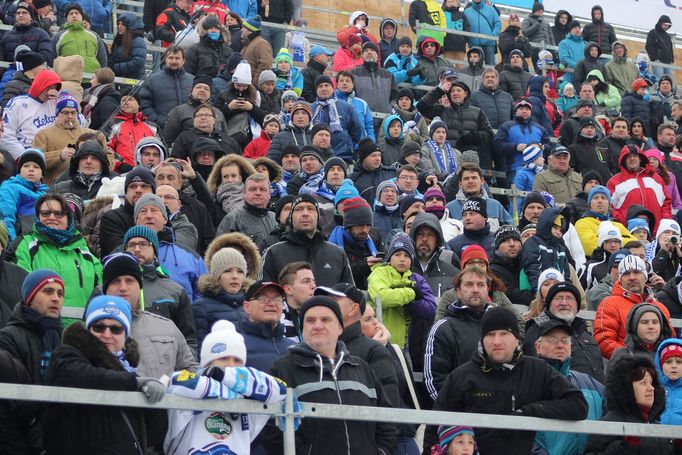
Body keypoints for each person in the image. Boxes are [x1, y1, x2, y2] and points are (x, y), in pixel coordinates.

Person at [432, 306, 588, 453]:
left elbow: (577, 404)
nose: (497, 341)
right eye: (490, 335)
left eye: (504, 334)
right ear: (482, 339)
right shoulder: (462, 376)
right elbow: (435, 427)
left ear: (517, 339)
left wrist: (529, 411)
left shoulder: (536, 370)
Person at [267, 295, 397, 454]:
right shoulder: (283, 368)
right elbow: (273, 427)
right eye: (310, 320)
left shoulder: (361, 367)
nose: (317, 325)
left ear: (340, 328)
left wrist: (381, 452)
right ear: (302, 328)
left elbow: (387, 420)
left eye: (326, 319)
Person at [41, 294, 166, 454]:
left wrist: (154, 402)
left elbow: (153, 435)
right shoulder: (67, 354)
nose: (107, 335)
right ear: (88, 329)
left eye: (116, 329)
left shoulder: (129, 371)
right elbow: (82, 376)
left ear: (125, 335)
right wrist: (135, 383)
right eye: (99, 327)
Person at [122, 225, 197, 355]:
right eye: (131, 245)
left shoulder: (175, 291)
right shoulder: (109, 288)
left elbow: (189, 340)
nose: (137, 249)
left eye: (144, 244)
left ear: (155, 252)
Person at [425, 266, 492, 401]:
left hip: (501, 416)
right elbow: (435, 382)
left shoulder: (502, 325)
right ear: (458, 292)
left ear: (487, 290)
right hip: (458, 415)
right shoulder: (443, 328)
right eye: (469, 284)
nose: (475, 289)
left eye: (481, 285)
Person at [585, 354, 674, 453]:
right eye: (643, 383)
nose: (651, 388)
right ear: (626, 388)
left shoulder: (656, 424)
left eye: (651, 383)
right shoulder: (610, 423)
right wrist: (624, 447)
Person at [261, 194, 354, 286]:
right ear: (291, 218)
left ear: (318, 217)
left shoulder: (337, 254)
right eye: (299, 209)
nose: (305, 213)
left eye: (310, 209)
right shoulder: (273, 253)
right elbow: (264, 295)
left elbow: (350, 295)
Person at [594, 255, 673, 360]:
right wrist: (634, 361)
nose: (632, 277)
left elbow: (670, 340)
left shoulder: (660, 307)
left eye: (637, 272)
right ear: (620, 278)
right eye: (626, 274)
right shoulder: (609, 303)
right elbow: (604, 341)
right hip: (626, 369)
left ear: (645, 276)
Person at [417, 79, 494, 158]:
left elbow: (489, 135)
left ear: (466, 94)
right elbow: (421, 106)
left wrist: (473, 137)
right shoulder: (442, 110)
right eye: (452, 91)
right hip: (446, 156)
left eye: (458, 90)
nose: (455, 93)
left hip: (470, 158)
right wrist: (439, 91)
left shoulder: (477, 112)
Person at [0, 69, 62, 159]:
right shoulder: (17, 103)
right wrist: (24, 156)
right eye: (47, 87)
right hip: (23, 155)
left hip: (51, 156)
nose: (49, 92)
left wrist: (61, 103)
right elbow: (6, 136)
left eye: (53, 88)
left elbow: (78, 123)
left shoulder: (55, 103)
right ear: (39, 84)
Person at [607, 144, 671, 231]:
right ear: (623, 160)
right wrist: (623, 222)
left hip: (656, 231)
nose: (632, 158)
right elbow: (610, 207)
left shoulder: (656, 178)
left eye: (635, 156)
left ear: (640, 158)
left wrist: (664, 221)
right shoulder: (614, 182)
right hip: (629, 233)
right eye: (628, 157)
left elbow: (666, 202)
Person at [193, 243, 247, 342]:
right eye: (227, 271)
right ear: (217, 276)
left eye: (240, 271)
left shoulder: (251, 304)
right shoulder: (200, 307)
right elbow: (199, 347)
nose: (235, 276)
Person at [216, 173, 277, 253]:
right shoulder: (232, 219)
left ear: (269, 194)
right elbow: (221, 253)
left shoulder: (276, 218)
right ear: (244, 193)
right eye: (252, 189)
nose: (258, 193)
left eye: (262, 189)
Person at [140, 46, 193, 131]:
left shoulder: (193, 81)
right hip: (161, 130)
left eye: (177, 58)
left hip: (188, 131)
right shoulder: (152, 80)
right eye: (171, 58)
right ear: (165, 59)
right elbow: (144, 103)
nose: (174, 61)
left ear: (183, 60)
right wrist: (157, 121)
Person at [107, 92, 158, 172]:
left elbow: (162, 150)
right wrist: (120, 165)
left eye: (130, 99)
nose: (126, 102)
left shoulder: (152, 127)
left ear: (139, 104)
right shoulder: (113, 124)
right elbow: (106, 148)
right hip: (121, 174)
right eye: (123, 100)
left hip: (150, 173)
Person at [610, 303, 674, 367]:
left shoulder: (674, 353)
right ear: (634, 327)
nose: (651, 326)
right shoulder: (622, 357)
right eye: (644, 322)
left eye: (655, 322)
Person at [351, 42, 398, 127]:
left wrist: (389, 108)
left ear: (377, 55)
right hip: (362, 121)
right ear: (362, 55)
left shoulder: (388, 75)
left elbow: (395, 96)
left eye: (372, 50)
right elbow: (350, 95)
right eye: (366, 51)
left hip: (384, 122)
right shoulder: (354, 73)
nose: (369, 52)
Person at [51, 4, 107, 73]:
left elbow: (102, 59)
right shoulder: (58, 36)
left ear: (82, 17)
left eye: (77, 13)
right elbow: (51, 58)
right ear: (67, 18)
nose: (74, 15)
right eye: (71, 14)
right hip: (67, 80)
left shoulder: (94, 36)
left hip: (92, 80)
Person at [490, 225, 534, 307]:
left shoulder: (529, 264)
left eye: (515, 240)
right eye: (506, 241)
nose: (512, 244)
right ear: (497, 246)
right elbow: (509, 293)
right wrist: (538, 295)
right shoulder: (493, 269)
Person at [109, 12, 146, 80]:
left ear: (130, 27)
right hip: (120, 80)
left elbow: (138, 62)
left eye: (123, 24)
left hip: (134, 82)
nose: (119, 26)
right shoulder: (118, 40)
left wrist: (115, 67)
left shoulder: (138, 40)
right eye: (118, 24)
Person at [462, 0, 500, 66]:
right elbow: (463, 25)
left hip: (489, 44)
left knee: (490, 67)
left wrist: (493, 35)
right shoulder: (467, 11)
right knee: (473, 66)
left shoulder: (491, 10)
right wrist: (468, 39)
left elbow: (497, 23)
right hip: (473, 44)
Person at [655, 338, 682, 426]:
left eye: (679, 362)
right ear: (660, 365)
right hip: (657, 437)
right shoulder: (653, 388)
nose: (674, 366)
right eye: (668, 362)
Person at [240, 16, 274, 85]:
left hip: (252, 85)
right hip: (246, 84)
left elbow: (265, 65)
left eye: (244, 28)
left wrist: (254, 83)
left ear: (250, 30)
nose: (241, 30)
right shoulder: (248, 43)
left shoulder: (261, 44)